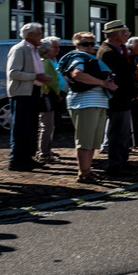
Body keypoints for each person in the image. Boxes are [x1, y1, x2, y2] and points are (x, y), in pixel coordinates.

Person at [58, 31, 118, 184]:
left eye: (92, 43)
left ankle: (87, 170)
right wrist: (102, 83)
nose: (90, 47)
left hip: (97, 102)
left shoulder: (89, 58)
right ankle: (83, 173)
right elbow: (77, 75)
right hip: (84, 102)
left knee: (92, 142)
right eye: (85, 44)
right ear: (76, 45)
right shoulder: (78, 58)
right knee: (85, 141)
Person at [6, 22, 50, 171]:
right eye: (39, 34)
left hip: (33, 91)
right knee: (21, 128)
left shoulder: (34, 50)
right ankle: (16, 160)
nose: (41, 37)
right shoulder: (19, 49)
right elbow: (13, 73)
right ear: (29, 35)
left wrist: (41, 78)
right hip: (22, 93)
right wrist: (35, 76)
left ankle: (27, 158)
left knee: (31, 128)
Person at [97, 20, 137, 178]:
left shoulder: (119, 49)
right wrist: (132, 90)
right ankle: (115, 164)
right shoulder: (108, 52)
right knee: (118, 132)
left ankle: (122, 160)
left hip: (123, 97)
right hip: (117, 98)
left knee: (124, 132)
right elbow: (118, 77)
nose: (128, 35)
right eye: (125, 32)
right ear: (115, 34)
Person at [36, 36, 63, 164]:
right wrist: (58, 93)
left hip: (45, 95)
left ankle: (45, 150)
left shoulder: (44, 60)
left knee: (47, 125)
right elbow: (53, 80)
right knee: (47, 125)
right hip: (48, 96)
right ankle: (44, 153)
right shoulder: (46, 62)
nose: (57, 49)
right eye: (53, 47)